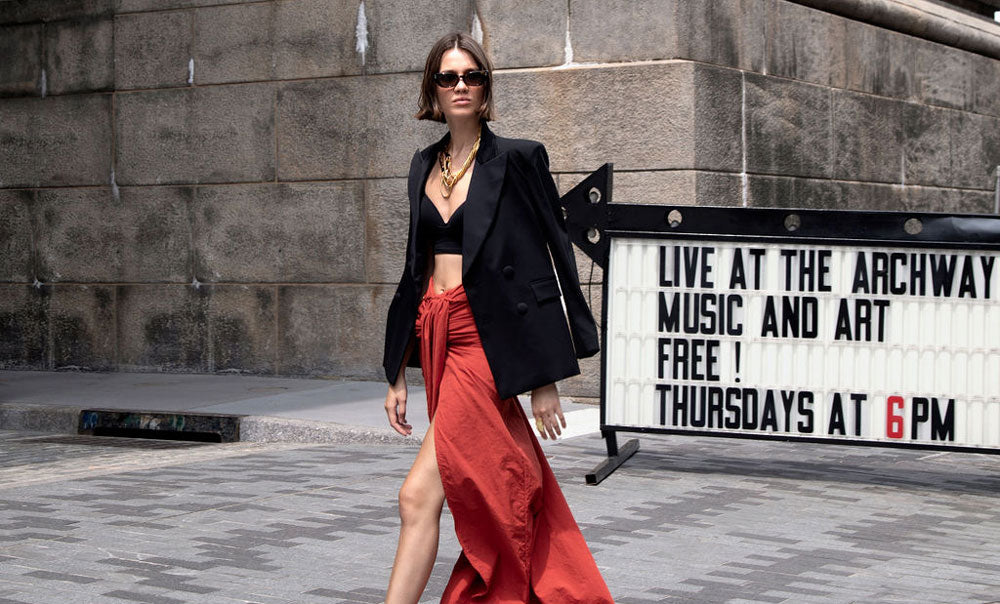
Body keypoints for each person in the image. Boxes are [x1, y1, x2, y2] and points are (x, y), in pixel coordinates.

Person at [381, 31, 614, 603]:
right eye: (448, 77)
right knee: (464, 485)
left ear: (485, 90)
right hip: (437, 334)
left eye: (472, 77)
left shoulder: (517, 159)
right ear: (432, 91)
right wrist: (395, 371)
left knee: (419, 495)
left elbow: (547, 260)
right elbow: (414, 269)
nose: (460, 86)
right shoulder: (422, 165)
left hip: (486, 342)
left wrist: (543, 378)